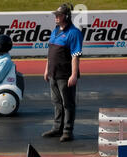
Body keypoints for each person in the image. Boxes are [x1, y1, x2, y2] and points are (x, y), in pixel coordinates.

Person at [42, 3, 83, 142]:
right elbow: (51, 52)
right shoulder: (55, 30)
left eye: (58, 15)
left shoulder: (74, 33)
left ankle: (67, 131)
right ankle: (57, 128)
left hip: (65, 75)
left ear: (66, 16)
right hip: (53, 73)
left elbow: (75, 55)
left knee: (68, 103)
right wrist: (47, 69)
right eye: (55, 15)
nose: (56, 17)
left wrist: (73, 75)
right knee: (57, 102)